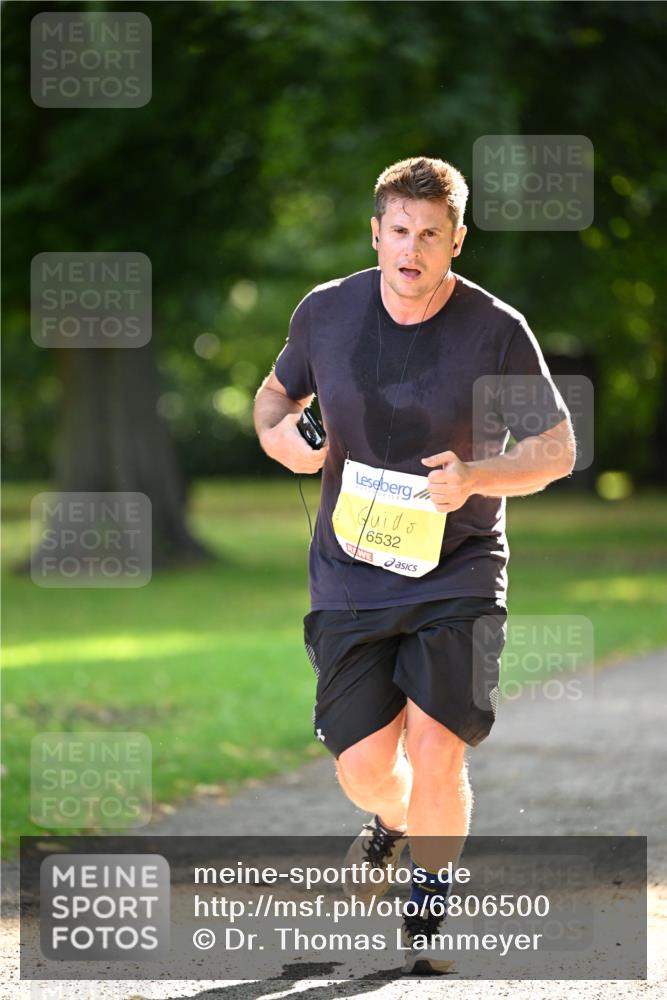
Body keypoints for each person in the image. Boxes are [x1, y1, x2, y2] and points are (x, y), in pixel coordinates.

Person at [253, 156, 576, 975]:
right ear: (375, 232)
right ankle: (392, 823)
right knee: (365, 768)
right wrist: (284, 441)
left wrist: (474, 476)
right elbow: (273, 398)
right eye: (399, 230)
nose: (412, 247)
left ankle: (427, 907)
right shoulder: (326, 312)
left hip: (456, 566)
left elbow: (554, 449)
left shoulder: (494, 328)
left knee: (437, 748)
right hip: (351, 569)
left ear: (456, 241)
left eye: (431, 234)